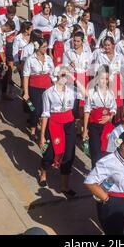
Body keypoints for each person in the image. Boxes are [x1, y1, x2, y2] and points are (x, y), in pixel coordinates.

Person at [84, 130, 124, 235]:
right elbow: (89, 182)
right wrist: (107, 199)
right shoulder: (107, 162)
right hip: (116, 203)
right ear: (119, 145)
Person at [38, 66, 85, 198]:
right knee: (49, 152)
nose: (65, 77)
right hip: (54, 123)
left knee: (69, 154)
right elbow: (45, 114)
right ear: (56, 76)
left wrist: (74, 78)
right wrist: (42, 136)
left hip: (68, 123)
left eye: (66, 75)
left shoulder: (72, 90)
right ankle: (43, 171)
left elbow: (85, 93)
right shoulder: (48, 93)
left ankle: (65, 186)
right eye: (62, 75)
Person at [82, 65, 117, 168]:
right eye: (101, 78)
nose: (104, 81)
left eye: (106, 79)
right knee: (96, 153)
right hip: (94, 126)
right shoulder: (91, 92)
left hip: (107, 127)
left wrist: (110, 116)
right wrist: (85, 130)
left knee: (107, 152)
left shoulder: (110, 93)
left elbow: (114, 108)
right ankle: (95, 175)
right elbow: (87, 111)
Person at [22, 38, 55, 141]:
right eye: (43, 47)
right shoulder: (30, 59)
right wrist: (26, 92)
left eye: (46, 46)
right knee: (35, 110)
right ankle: (33, 129)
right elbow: (26, 76)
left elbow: (52, 73)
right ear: (37, 47)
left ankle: (44, 131)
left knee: (47, 110)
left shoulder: (49, 58)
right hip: (34, 87)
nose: (46, 49)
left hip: (47, 87)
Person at [92, 36, 124, 122]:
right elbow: (95, 71)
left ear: (113, 45)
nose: (107, 47)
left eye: (109, 45)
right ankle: (107, 123)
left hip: (117, 83)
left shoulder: (119, 56)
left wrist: (122, 74)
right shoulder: (100, 56)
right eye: (105, 45)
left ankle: (117, 123)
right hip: (105, 82)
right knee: (107, 103)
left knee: (118, 104)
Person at [12, 21, 33, 89]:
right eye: (31, 28)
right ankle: (24, 92)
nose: (33, 29)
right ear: (26, 30)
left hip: (32, 59)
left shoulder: (33, 36)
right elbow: (15, 50)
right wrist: (17, 62)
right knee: (23, 76)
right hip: (22, 59)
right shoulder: (18, 38)